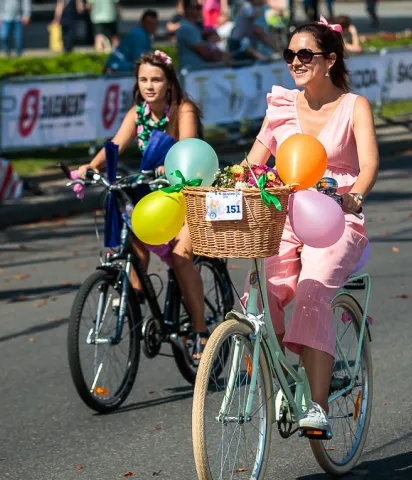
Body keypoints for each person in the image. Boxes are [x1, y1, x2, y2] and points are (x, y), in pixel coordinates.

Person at [242, 16, 378, 436]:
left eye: (305, 54)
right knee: (264, 294)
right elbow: (253, 163)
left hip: (336, 215)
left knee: (312, 290)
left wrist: (356, 193)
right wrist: (227, 185)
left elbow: (369, 163)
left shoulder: (354, 106)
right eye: (290, 55)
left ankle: (316, 406)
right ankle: (286, 376)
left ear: (329, 59)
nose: (295, 62)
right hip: (284, 212)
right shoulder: (281, 105)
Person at [75, 50, 210, 363]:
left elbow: (187, 147)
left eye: (156, 79)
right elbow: (115, 145)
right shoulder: (138, 113)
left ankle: (201, 331)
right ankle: (134, 297)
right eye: (144, 79)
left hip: (187, 191)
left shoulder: (183, 109)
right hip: (155, 196)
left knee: (180, 256)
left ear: (169, 82)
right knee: (133, 240)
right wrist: (91, 166)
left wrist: (171, 165)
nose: (150, 86)